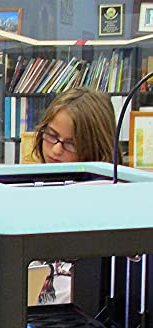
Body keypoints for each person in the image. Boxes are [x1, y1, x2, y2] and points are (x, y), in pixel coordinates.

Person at [32, 86, 123, 303]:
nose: (56, 150)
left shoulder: (110, 202)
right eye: (51, 136)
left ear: (95, 146)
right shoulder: (33, 188)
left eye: (70, 143)